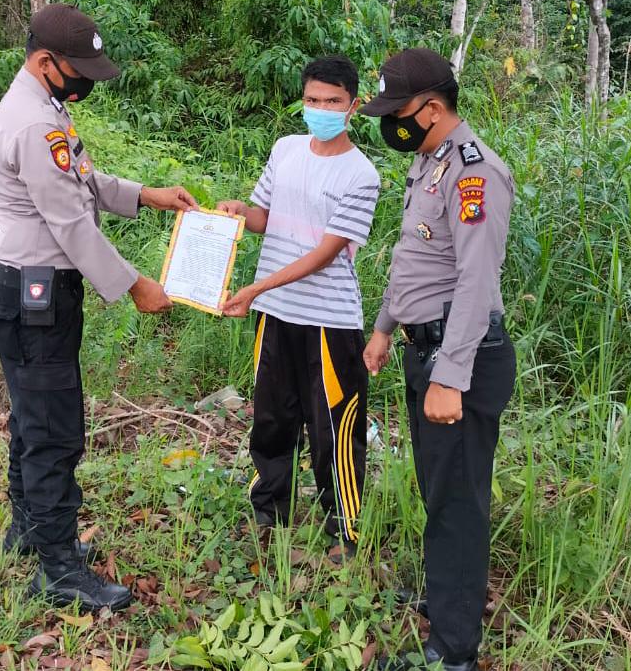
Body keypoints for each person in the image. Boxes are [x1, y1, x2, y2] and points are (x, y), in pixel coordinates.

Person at [0, 3, 197, 613]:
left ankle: (27, 530)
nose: (86, 84)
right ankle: (59, 570)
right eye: (80, 72)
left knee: (31, 416)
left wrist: (146, 195)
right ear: (46, 62)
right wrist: (134, 284)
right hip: (36, 289)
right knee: (53, 429)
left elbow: (84, 180)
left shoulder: (46, 107)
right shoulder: (31, 122)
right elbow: (71, 222)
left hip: (29, 285)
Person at [360, 49, 516, 671]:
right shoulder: (430, 162)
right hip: (424, 344)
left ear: (430, 108)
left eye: (397, 112)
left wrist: (450, 376)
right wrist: (382, 329)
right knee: (438, 490)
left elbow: (477, 282)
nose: (390, 124)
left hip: (461, 355)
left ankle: (453, 653)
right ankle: (447, 601)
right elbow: (415, 262)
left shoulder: (473, 174)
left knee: (456, 503)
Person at [217, 55, 379, 558]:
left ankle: (345, 530)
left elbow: (324, 255)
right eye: (313, 100)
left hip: (329, 322)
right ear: (303, 100)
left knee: (334, 427)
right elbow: (265, 216)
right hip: (276, 313)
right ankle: (269, 510)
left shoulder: (362, 174)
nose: (321, 109)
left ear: (353, 107)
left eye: (332, 102)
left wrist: (256, 288)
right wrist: (238, 213)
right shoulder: (285, 150)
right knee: (272, 416)